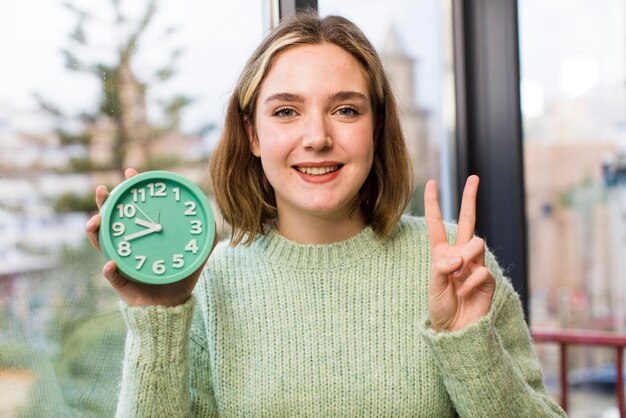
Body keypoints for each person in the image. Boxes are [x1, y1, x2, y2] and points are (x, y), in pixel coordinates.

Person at [85, 12, 566, 417]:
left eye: (346, 110)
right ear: (252, 135)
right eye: (286, 112)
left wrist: (468, 343)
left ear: (377, 129)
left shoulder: (456, 266)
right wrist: (158, 318)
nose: (317, 136)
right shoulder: (211, 282)